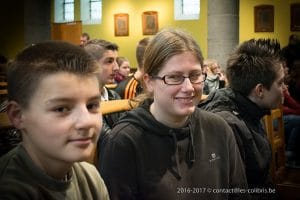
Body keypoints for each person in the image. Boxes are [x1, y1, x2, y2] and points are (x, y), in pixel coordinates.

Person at [99, 29, 249, 200]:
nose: (189, 88)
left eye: (195, 75)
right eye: (174, 77)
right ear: (149, 82)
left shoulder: (219, 128)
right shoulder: (123, 142)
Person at [0, 41, 109, 199]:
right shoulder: (9, 191)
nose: (87, 121)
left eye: (92, 105)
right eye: (61, 109)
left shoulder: (90, 176)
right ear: (17, 116)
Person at [200, 38, 284, 198]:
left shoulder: (249, 107)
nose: (285, 89)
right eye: (280, 83)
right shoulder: (227, 125)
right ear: (260, 90)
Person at [84, 39, 122, 148]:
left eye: (116, 61)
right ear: (90, 65)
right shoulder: (83, 103)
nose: (116, 68)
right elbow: (112, 142)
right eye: (109, 61)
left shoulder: (114, 96)